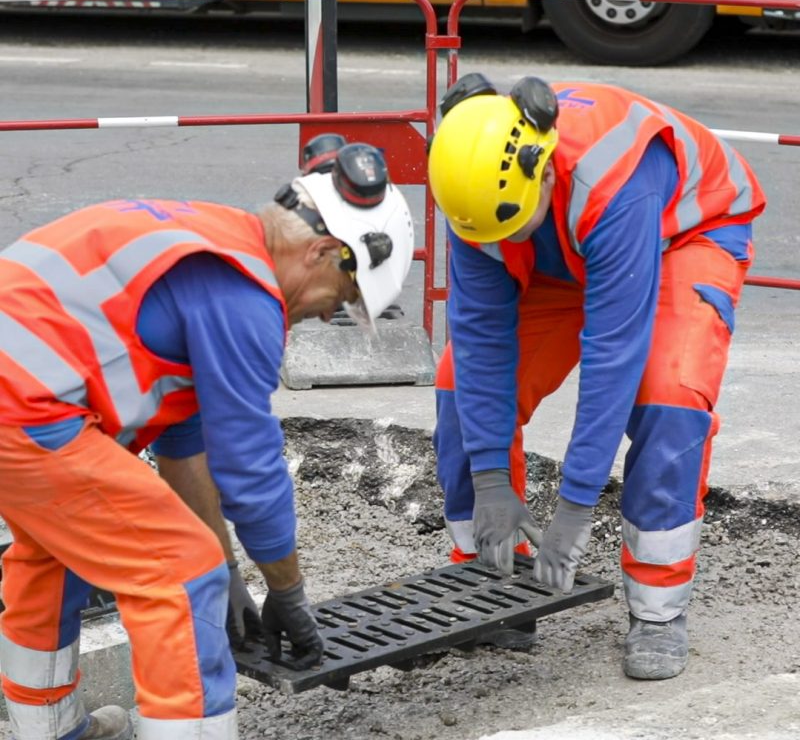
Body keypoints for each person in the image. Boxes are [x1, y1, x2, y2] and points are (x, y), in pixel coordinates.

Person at [0, 140, 414, 740]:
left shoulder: (214, 240)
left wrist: (233, 577)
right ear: (323, 251)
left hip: (22, 401)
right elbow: (250, 471)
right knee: (179, 572)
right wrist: (287, 592)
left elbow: (185, 447)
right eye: (345, 298)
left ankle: (53, 730)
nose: (330, 316)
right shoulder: (245, 298)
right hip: (25, 410)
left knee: (56, 554)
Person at [428, 74, 765, 679]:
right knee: (459, 387)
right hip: (560, 247)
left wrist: (577, 505)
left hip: (680, 234)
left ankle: (658, 609)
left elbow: (613, 352)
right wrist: (489, 480)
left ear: (545, 169)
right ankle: (492, 578)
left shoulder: (611, 177)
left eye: (511, 224)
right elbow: (481, 345)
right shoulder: (476, 189)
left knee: (669, 391)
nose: (494, 243)